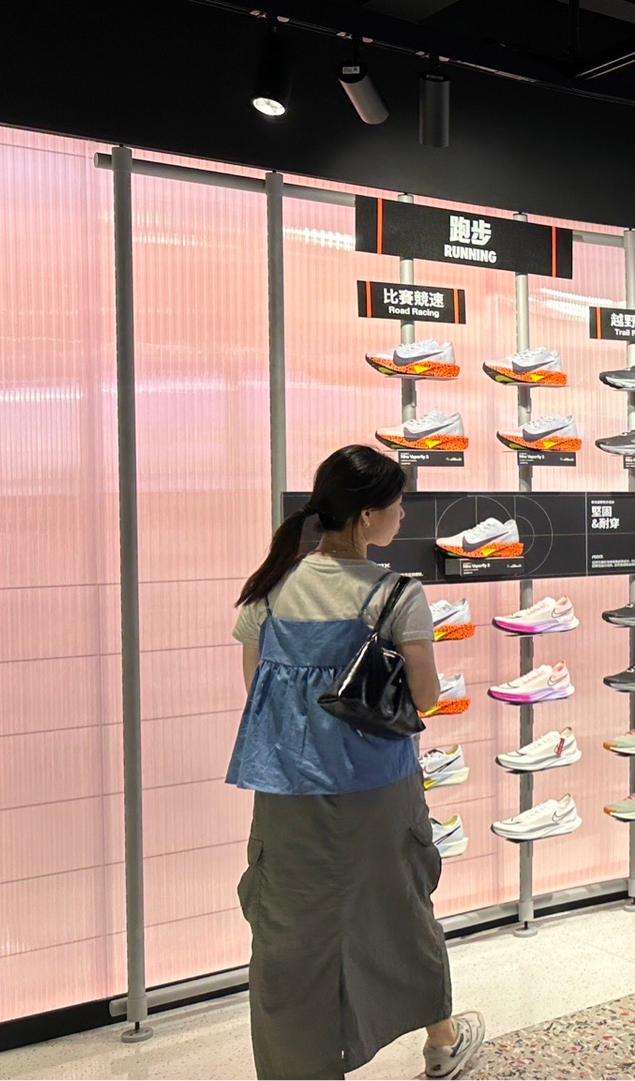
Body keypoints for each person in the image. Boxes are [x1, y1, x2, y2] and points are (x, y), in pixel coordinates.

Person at [230, 445, 483, 1080]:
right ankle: (441, 1041)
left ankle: (300, 1067)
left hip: (287, 788)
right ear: (368, 516)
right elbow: (426, 695)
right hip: (379, 787)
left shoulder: (269, 587)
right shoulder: (397, 594)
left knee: (290, 927)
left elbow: (255, 688)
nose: (403, 517)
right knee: (400, 908)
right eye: (398, 506)